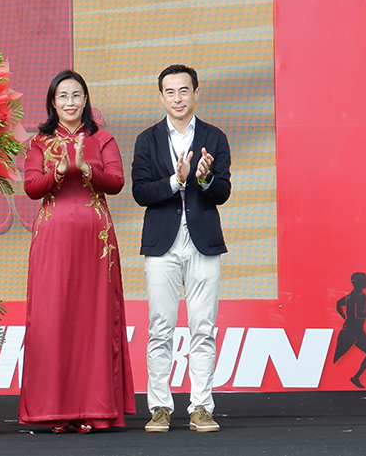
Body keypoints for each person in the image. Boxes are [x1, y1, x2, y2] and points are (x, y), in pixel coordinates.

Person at [19, 70, 136, 433]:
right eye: (63, 96)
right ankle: (54, 410)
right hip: (52, 240)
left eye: (76, 95)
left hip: (95, 242)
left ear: (86, 100)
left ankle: (93, 409)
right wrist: (56, 174)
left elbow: (116, 183)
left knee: (95, 320)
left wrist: (86, 170)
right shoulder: (39, 142)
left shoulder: (102, 138)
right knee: (52, 318)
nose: (70, 102)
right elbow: (31, 188)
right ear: (53, 103)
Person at [131, 64, 231, 433]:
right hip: (162, 244)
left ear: (196, 93)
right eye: (170, 92)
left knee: (203, 327)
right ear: (161, 97)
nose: (178, 98)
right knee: (161, 327)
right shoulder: (147, 139)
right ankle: (159, 407)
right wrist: (177, 180)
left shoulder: (214, 137)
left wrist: (204, 178)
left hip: (204, 242)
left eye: (184, 90)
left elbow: (223, 191)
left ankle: (201, 407)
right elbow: (140, 192)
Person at [334, 272, 366, 388]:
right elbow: (359, 314)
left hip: (355, 331)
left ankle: (355, 378)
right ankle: (351, 378)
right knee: (338, 357)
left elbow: (338, 304)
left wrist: (345, 318)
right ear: (358, 282)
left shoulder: (351, 296)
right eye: (365, 280)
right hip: (351, 332)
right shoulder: (359, 297)